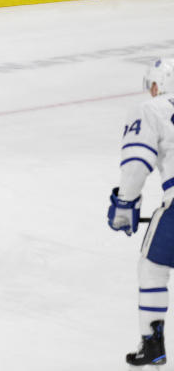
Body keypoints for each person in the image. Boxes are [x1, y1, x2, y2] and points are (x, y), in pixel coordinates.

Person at [108, 58, 174, 367]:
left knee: (152, 266)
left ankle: (152, 344)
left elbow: (136, 164)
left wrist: (125, 204)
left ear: (158, 85)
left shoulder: (153, 109)